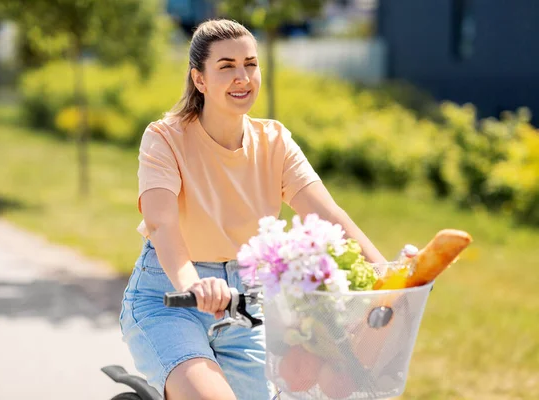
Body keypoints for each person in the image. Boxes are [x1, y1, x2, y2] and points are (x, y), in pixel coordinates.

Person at [119, 18, 387, 400]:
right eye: (226, 67)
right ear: (200, 80)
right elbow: (162, 225)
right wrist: (193, 285)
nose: (243, 76)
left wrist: (388, 275)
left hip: (244, 303)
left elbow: (329, 215)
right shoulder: (165, 138)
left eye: (250, 63)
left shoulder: (274, 141)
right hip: (170, 298)